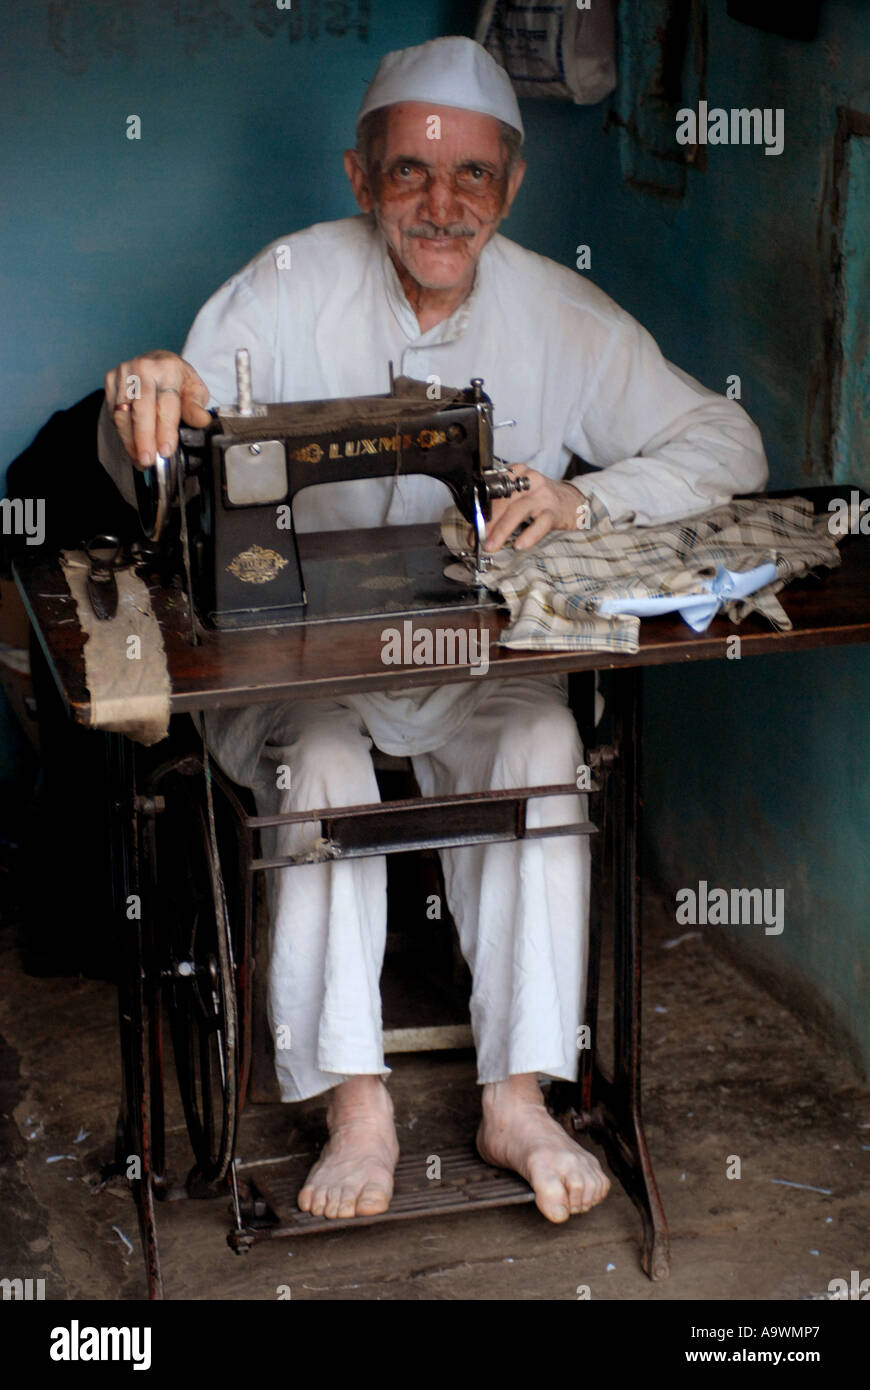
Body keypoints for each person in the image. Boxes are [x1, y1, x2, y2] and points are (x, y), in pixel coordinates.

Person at [98, 36, 767, 1225]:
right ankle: (358, 1103)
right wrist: (143, 396)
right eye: (408, 172)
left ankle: (518, 1095)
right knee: (329, 767)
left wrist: (586, 497)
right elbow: (162, 448)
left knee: (544, 756)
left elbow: (730, 446)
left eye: (470, 177)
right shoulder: (286, 288)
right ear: (360, 181)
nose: (441, 204)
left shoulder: (564, 315)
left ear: (511, 189)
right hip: (298, 657)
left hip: (474, 657)